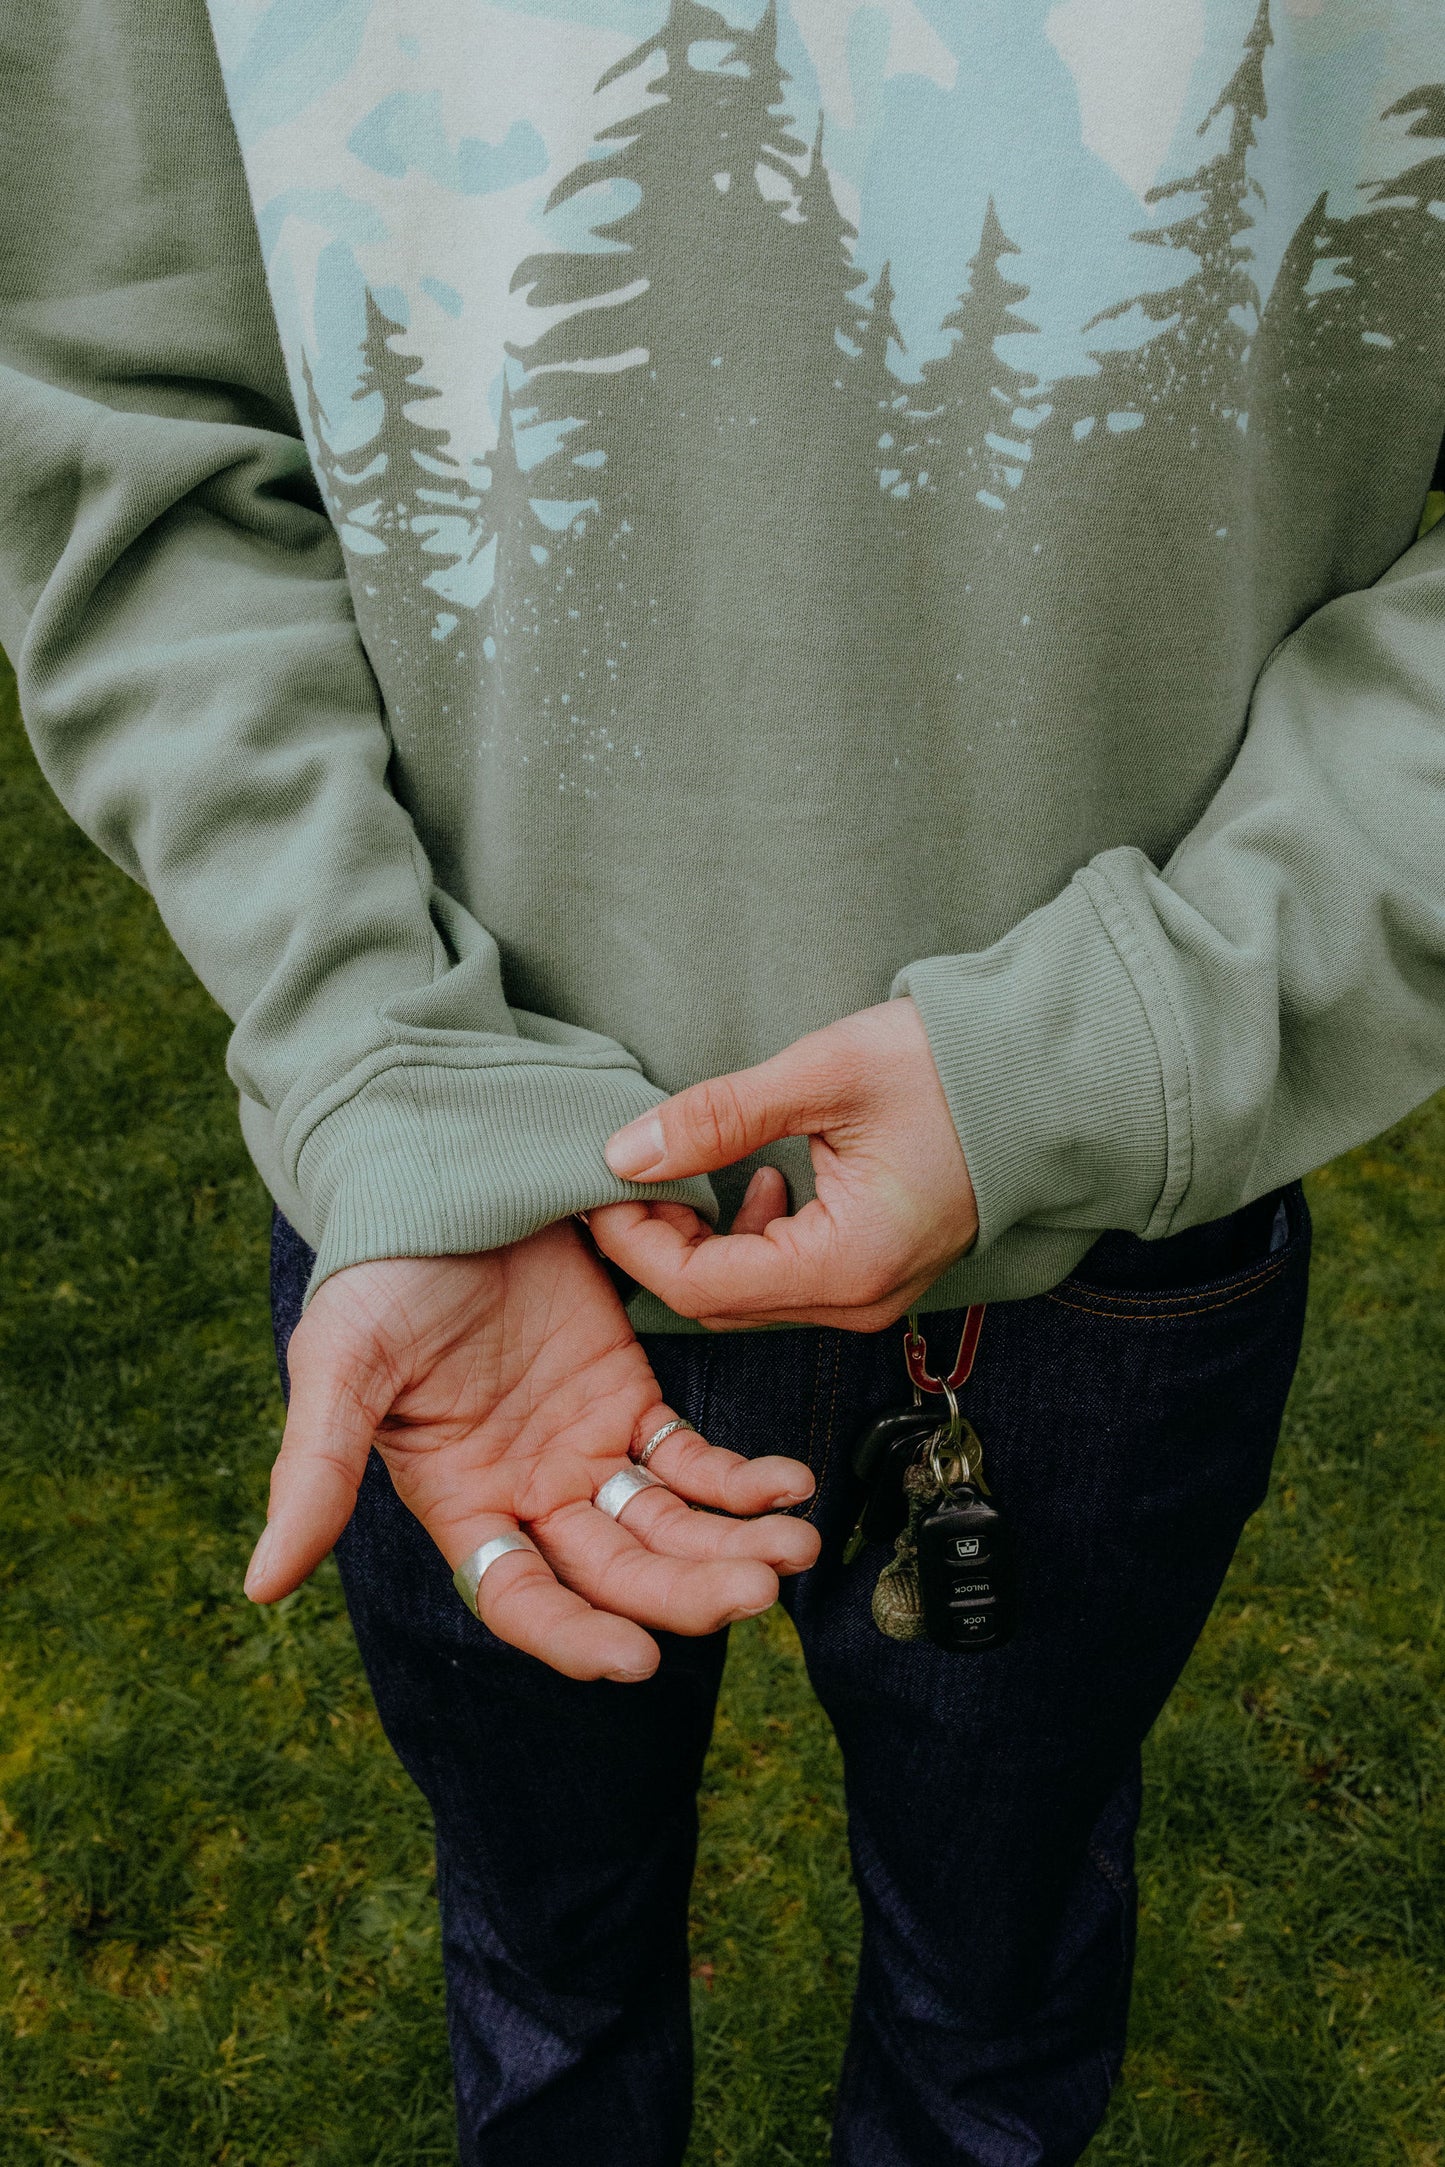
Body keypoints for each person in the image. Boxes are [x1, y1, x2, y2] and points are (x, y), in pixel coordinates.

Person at [4, 0, 1444, 2158]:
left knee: (995, 1994)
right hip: (465, 1231)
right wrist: (383, 1056)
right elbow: (116, 407)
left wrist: (1128, 1040)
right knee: (548, 1979)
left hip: (1114, 1228)